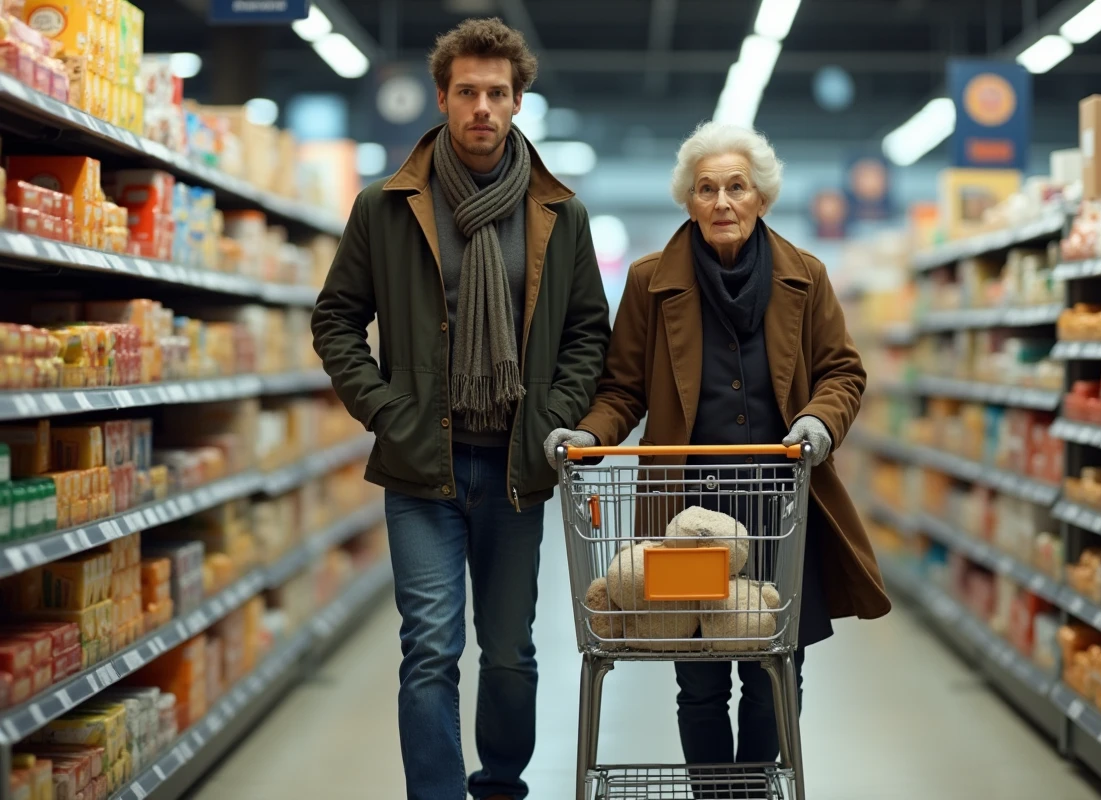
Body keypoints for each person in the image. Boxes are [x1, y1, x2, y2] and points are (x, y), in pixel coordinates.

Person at [312, 17, 611, 800]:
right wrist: (385, 410)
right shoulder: (386, 207)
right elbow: (336, 318)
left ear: (519, 103)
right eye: (468, 92)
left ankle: (502, 784)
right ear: (442, 98)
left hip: (516, 467)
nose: (483, 106)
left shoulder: (559, 214)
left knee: (510, 652)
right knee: (431, 649)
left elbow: (589, 336)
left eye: (498, 93)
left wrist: (554, 418)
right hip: (422, 466)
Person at [545, 122, 891, 782]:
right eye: (707, 189)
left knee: (775, 666)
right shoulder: (651, 283)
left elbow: (841, 372)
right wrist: (591, 433)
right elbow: (621, 386)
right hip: (687, 514)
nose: (722, 202)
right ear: (688, 200)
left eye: (737, 187)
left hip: (781, 507)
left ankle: (753, 790)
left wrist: (819, 422)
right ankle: (713, 795)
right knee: (699, 672)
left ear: (761, 196)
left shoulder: (805, 278)